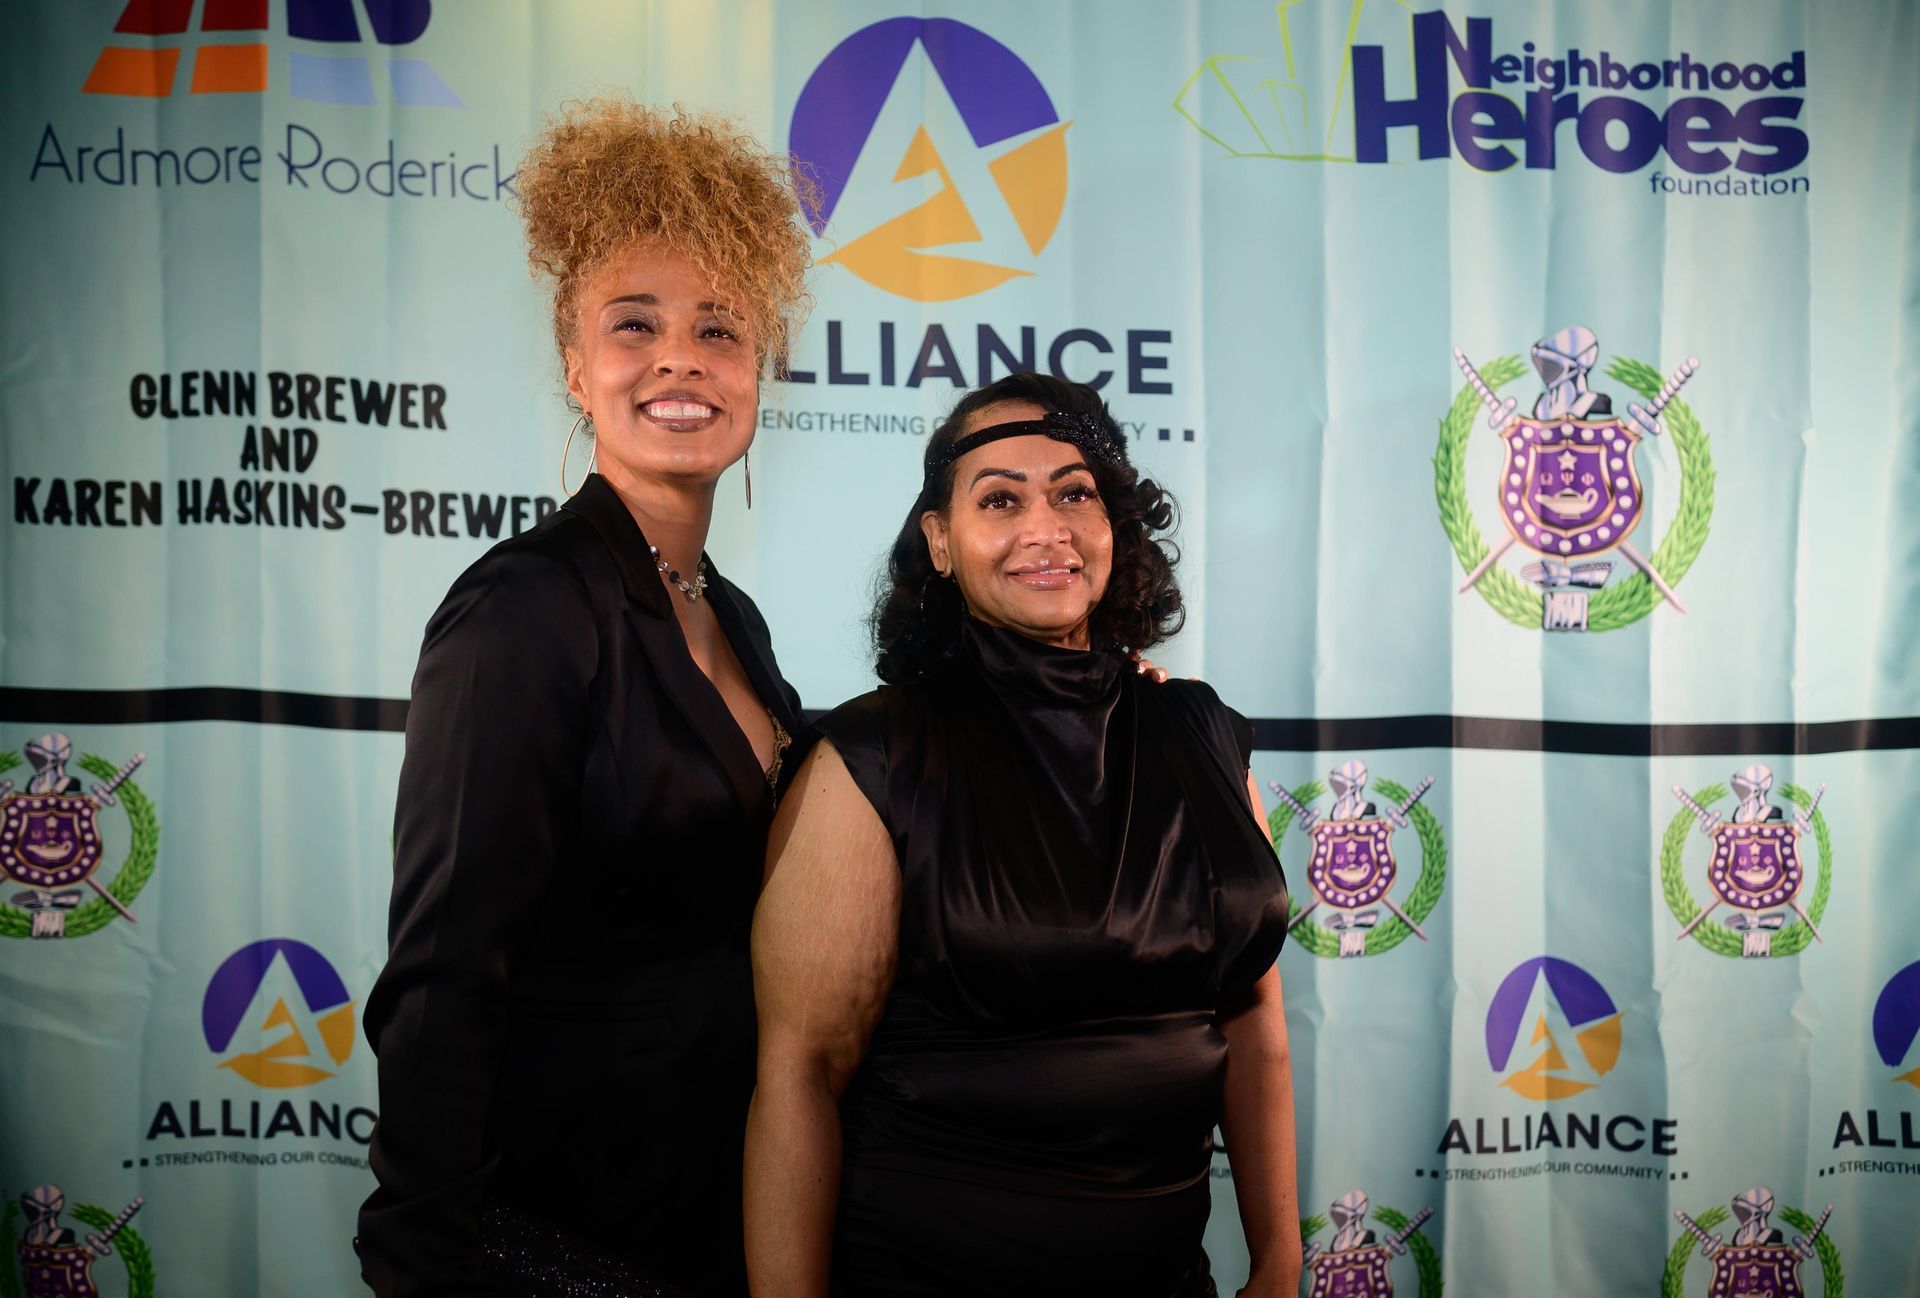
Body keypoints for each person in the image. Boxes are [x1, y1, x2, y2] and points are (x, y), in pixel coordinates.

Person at [356, 98, 812, 1298]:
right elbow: (445, 969)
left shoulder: (730, 615)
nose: (681, 358)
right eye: (635, 322)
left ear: (757, 368)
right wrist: (426, 1261)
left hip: (709, 1218)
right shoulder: (524, 608)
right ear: (574, 365)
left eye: (719, 327)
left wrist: (1082, 690)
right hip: (553, 1242)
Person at [744, 373, 1303, 1298]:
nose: (1047, 529)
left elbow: (1254, 1022)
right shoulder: (875, 756)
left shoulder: (1200, 730)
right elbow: (800, 1076)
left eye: (1075, 494)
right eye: (1001, 500)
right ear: (940, 541)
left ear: (1114, 524)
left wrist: (1280, 1259)